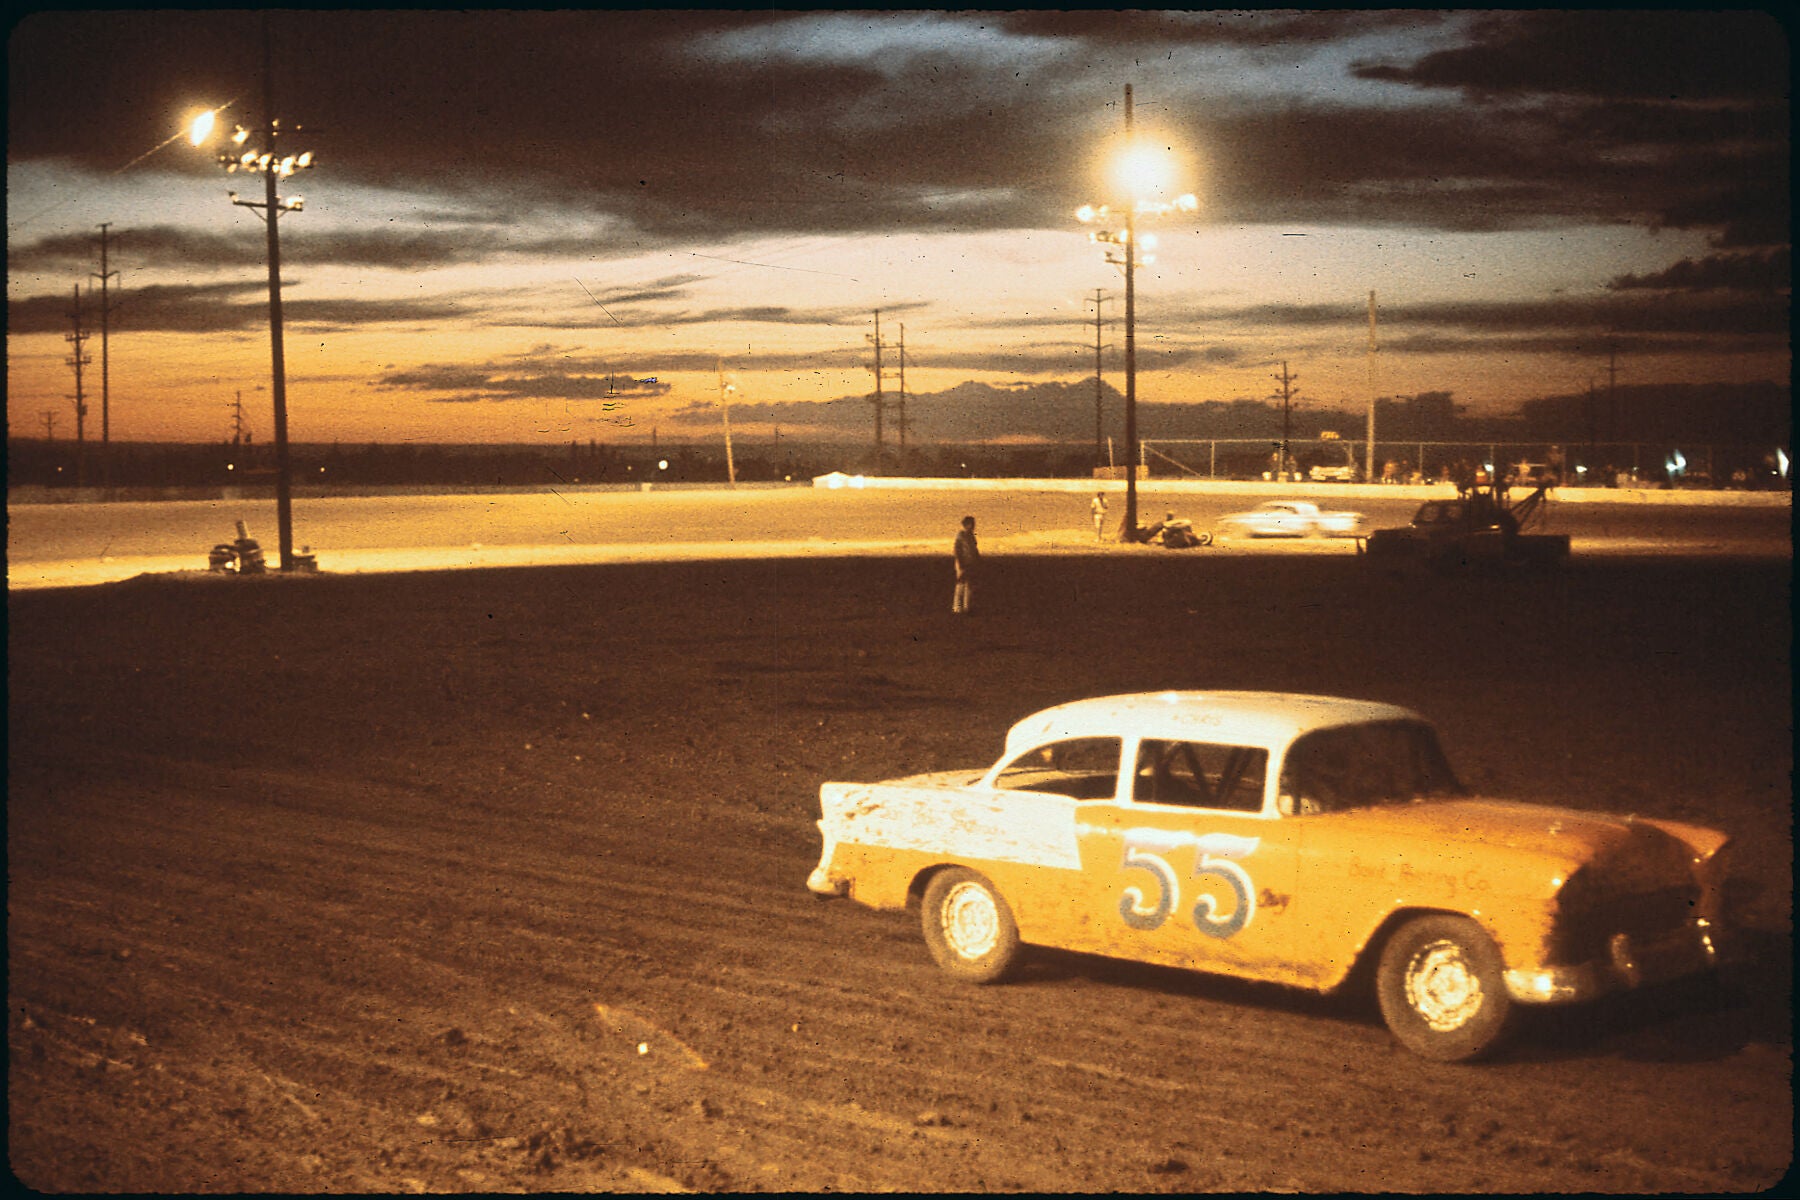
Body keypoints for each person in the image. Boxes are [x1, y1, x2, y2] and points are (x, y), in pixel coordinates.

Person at [952, 515, 979, 614]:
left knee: (969, 584)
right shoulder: (961, 535)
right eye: (972, 524)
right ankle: (957, 608)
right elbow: (957, 550)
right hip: (963, 562)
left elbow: (974, 550)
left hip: (971, 562)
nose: (973, 526)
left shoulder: (971, 536)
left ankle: (967, 606)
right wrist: (960, 563)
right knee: (961, 584)